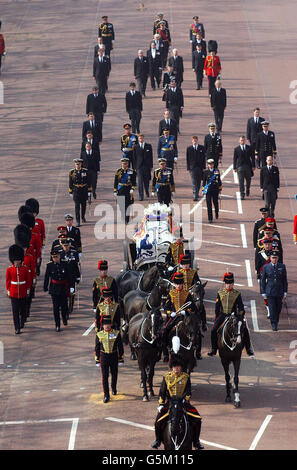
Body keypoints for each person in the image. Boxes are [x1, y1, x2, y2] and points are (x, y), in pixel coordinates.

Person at [152, 354, 203, 450]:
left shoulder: (185, 377)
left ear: (181, 367)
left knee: (198, 419)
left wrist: (185, 399)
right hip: (170, 403)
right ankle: (158, 440)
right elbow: (162, 392)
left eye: (178, 366)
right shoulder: (167, 377)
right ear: (172, 367)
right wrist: (161, 404)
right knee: (158, 421)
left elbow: (188, 391)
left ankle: (196, 442)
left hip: (182, 403)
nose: (176, 368)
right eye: (174, 366)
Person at [208, 272, 254, 356]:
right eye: (227, 283)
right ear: (225, 283)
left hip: (234, 316)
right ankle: (214, 349)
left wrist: (238, 314)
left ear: (233, 283)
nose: (229, 285)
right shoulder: (220, 293)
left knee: (245, 330)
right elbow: (217, 307)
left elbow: (241, 307)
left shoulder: (237, 294)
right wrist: (216, 318)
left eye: (230, 283)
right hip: (223, 315)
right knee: (213, 330)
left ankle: (248, 349)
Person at [162, 272, 199, 362]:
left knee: (195, 330)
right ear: (174, 284)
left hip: (185, 317)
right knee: (165, 330)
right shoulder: (171, 294)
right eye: (177, 283)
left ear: (182, 284)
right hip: (174, 317)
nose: (178, 286)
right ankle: (165, 352)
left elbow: (193, 307)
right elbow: (166, 307)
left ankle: (196, 349)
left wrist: (185, 312)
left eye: (180, 283)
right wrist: (170, 313)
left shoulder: (187, 294)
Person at [95, 314, 124, 403]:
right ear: (102, 325)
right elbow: (96, 347)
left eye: (108, 323)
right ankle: (106, 395)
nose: (107, 325)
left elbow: (120, 346)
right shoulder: (99, 334)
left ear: (111, 324)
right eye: (105, 324)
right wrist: (97, 359)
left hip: (114, 356)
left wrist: (121, 358)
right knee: (105, 376)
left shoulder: (116, 333)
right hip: (104, 357)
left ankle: (114, 388)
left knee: (114, 374)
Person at [44, 249, 74, 331]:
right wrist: (45, 287)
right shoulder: (49, 266)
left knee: (64, 306)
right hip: (54, 289)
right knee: (56, 308)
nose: (55, 258)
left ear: (59, 256)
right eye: (53, 257)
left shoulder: (65, 264)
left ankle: (64, 318)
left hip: (63, 288)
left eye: (56, 257)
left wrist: (71, 287)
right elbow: (47, 277)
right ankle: (57, 324)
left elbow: (69, 276)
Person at [260, 250, 288, 331]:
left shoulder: (282, 266)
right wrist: (263, 291)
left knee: (278, 308)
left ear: (278, 258)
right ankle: (274, 324)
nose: (274, 259)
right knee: (272, 308)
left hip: (279, 291)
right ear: (270, 258)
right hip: (270, 291)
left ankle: (276, 320)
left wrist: (285, 291)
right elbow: (263, 280)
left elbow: (284, 280)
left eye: (275, 258)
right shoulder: (266, 267)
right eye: (273, 258)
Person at [14, 224, 36, 321]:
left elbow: (33, 268)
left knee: (28, 299)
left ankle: (26, 311)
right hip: (20, 283)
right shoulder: (16, 259)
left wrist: (34, 279)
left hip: (28, 279)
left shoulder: (29, 257)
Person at [6, 245, 30, 334]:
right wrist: (8, 291)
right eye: (16, 261)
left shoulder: (25, 269)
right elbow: (8, 281)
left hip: (23, 292)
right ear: (13, 260)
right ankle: (17, 327)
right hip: (13, 293)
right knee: (15, 311)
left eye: (18, 260)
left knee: (23, 309)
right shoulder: (10, 270)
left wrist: (28, 290)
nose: (17, 262)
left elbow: (28, 281)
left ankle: (23, 319)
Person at [59, 238, 81, 314]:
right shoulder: (60, 254)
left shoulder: (74, 253)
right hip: (63, 278)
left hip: (72, 277)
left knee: (71, 293)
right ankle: (63, 306)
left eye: (67, 245)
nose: (66, 247)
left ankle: (70, 306)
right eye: (64, 246)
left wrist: (78, 277)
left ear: (69, 245)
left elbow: (76, 266)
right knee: (63, 293)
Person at [25, 197, 46, 275]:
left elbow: (43, 234)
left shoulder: (40, 222)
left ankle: (37, 268)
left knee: (38, 257)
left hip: (38, 243)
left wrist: (43, 244)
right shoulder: (25, 221)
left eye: (34, 212)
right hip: (29, 243)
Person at [69, 158, 92, 226]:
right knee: (77, 206)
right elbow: (70, 182)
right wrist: (70, 191)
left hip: (84, 190)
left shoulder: (85, 171)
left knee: (84, 205)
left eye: (78, 164)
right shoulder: (72, 172)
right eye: (76, 164)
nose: (77, 165)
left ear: (81, 164)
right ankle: (78, 221)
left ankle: (82, 217)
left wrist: (89, 191)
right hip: (76, 191)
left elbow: (89, 181)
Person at [114, 157, 137, 224]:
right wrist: (115, 190)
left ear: (128, 164)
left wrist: (132, 188)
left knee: (128, 205)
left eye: (126, 164)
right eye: (123, 164)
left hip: (128, 190)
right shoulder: (118, 171)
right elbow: (115, 182)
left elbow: (134, 182)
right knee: (121, 205)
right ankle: (123, 216)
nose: (125, 165)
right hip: (120, 190)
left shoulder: (131, 171)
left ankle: (127, 219)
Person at [233, 135, 255, 199]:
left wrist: (253, 166)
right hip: (240, 167)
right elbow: (235, 159)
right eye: (241, 140)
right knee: (241, 181)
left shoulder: (249, 148)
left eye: (243, 140)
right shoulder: (236, 149)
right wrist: (235, 167)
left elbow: (252, 157)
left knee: (248, 180)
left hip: (248, 166)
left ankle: (248, 189)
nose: (242, 141)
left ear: (245, 141)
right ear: (239, 141)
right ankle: (242, 194)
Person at [132, 133, 153, 200]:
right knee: (140, 181)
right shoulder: (136, 147)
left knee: (146, 181)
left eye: (142, 138)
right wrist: (134, 167)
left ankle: (146, 191)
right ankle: (141, 196)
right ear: (138, 139)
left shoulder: (148, 146)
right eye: (139, 138)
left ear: (143, 138)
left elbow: (151, 157)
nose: (141, 139)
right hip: (139, 166)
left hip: (146, 166)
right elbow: (134, 158)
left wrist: (151, 166)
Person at [202, 159, 222, 223]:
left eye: (212, 164)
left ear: (213, 164)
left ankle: (216, 212)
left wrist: (220, 189)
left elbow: (219, 180)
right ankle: (210, 218)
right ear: (208, 165)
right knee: (209, 204)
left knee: (215, 202)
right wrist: (203, 190)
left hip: (215, 189)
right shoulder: (205, 172)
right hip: (208, 190)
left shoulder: (216, 171)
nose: (211, 165)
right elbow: (204, 182)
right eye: (209, 164)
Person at [186, 135, 206, 201]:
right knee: (194, 181)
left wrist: (204, 167)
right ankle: (195, 194)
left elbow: (204, 158)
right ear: (192, 141)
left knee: (198, 181)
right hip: (192, 167)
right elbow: (187, 159)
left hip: (200, 167)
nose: (194, 142)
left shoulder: (202, 148)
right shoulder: (189, 149)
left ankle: (196, 192)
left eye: (195, 140)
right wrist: (188, 167)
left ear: (197, 140)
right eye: (193, 141)